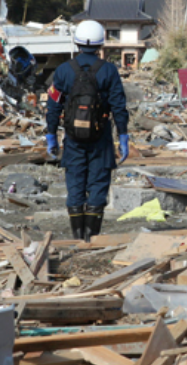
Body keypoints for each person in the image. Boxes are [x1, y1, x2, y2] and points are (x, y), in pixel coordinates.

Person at [46, 20, 129, 242]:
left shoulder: (63, 71)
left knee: (75, 185)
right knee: (98, 185)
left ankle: (77, 237)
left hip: (72, 140)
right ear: (101, 43)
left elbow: (53, 106)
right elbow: (119, 106)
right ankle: (92, 238)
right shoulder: (109, 71)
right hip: (100, 139)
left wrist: (51, 135)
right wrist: (123, 136)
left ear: (77, 42)